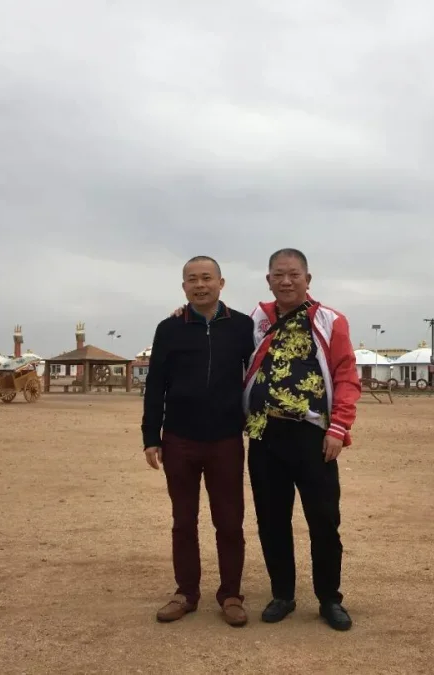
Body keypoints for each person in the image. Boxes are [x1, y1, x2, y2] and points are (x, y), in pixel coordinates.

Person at [243, 248, 361, 631]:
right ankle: (282, 594)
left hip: (313, 436)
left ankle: (330, 598)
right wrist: (186, 312)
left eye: (294, 274)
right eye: (279, 275)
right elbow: (222, 340)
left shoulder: (330, 321)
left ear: (307, 279)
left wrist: (338, 428)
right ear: (268, 280)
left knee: (324, 520)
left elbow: (346, 376)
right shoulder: (255, 321)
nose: (286, 281)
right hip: (265, 434)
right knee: (271, 519)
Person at [141, 255, 256, 627]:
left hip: (225, 439)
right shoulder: (169, 328)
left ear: (221, 283)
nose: (200, 284)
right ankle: (186, 593)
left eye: (207, 278)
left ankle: (231, 594)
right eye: (192, 279)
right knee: (183, 520)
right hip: (179, 439)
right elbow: (155, 385)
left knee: (230, 521)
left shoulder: (243, 326)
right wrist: (150, 436)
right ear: (184, 286)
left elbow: (259, 375)